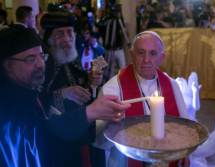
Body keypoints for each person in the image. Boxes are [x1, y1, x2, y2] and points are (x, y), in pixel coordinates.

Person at [0, 27, 130, 167]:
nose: (41, 64)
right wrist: (90, 112)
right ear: (8, 65)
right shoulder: (7, 100)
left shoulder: (24, 88)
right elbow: (37, 136)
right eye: (31, 60)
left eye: (41, 57)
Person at [93, 31, 190, 167]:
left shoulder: (172, 85)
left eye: (153, 53)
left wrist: (185, 151)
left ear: (161, 58)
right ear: (132, 55)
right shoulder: (113, 88)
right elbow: (97, 140)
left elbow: (184, 128)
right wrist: (111, 122)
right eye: (140, 52)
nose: (146, 60)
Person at [39, 11, 108, 167]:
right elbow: (36, 100)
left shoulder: (71, 53)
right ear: (49, 37)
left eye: (70, 33)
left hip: (84, 125)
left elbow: (81, 84)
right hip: (61, 133)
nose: (67, 39)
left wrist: (91, 81)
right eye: (59, 34)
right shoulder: (42, 62)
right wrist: (62, 93)